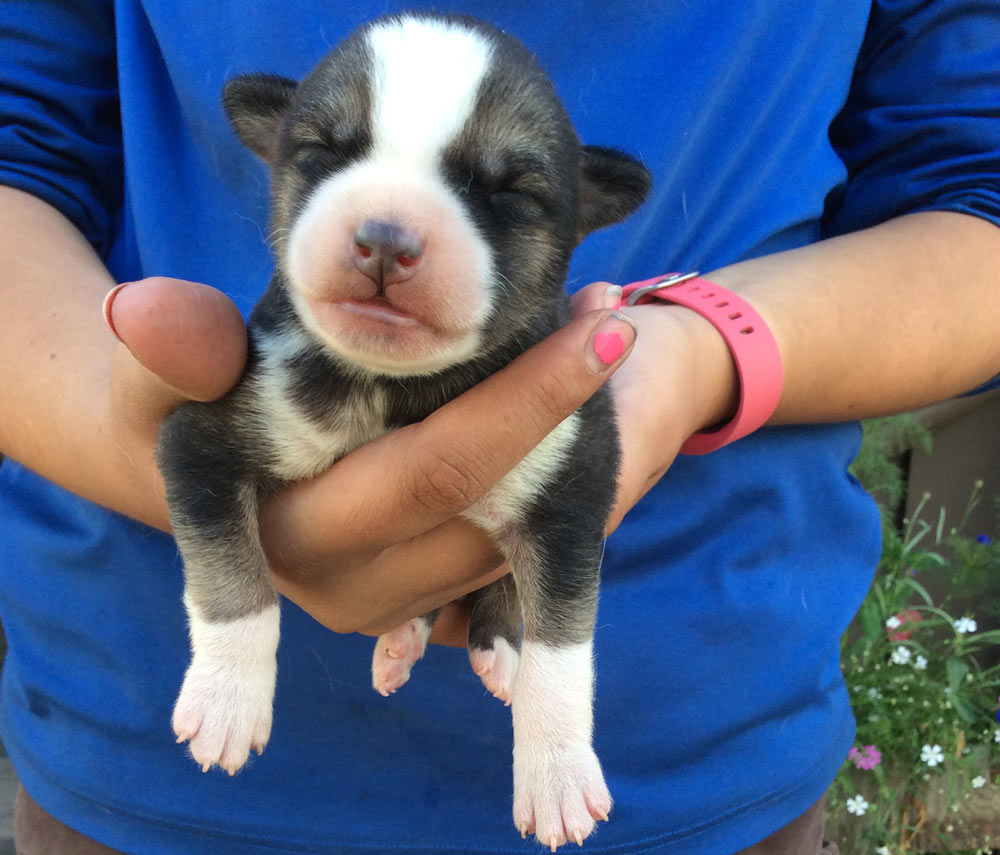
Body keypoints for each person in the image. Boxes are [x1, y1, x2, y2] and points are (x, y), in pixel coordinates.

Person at [1, 2, 999, 854]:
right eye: (327, 155)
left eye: (502, 190)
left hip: (691, 759)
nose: (387, 234)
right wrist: (130, 446)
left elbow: (975, 189)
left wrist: (700, 351)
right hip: (134, 748)